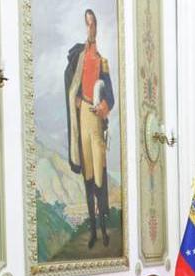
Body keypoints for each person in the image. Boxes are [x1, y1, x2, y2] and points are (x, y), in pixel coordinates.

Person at [65, 9, 114, 249]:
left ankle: (104, 229)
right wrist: (75, 99)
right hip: (82, 115)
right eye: (87, 24)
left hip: (96, 120)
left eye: (92, 23)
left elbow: (111, 98)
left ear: (97, 26)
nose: (90, 28)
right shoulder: (80, 57)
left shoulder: (102, 62)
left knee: (99, 178)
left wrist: (102, 107)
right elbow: (71, 81)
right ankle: (93, 230)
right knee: (87, 177)